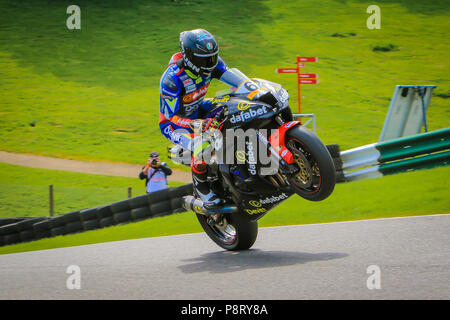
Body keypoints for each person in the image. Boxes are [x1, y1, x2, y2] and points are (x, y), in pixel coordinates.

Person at [158, 28, 251, 210]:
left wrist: (253, 89)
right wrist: (196, 124)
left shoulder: (213, 65)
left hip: (199, 108)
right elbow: (171, 117)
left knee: (235, 107)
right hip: (174, 124)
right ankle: (202, 189)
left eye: (213, 57)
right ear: (190, 57)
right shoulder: (171, 80)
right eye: (204, 59)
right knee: (203, 145)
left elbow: (236, 80)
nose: (210, 63)